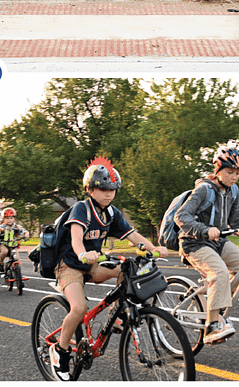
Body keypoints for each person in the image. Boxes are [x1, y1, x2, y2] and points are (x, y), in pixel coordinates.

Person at [51, 158, 172, 377]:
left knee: (127, 271)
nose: (108, 194)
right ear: (90, 189)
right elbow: (77, 239)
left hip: (92, 265)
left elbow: (133, 236)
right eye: (103, 189)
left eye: (112, 189)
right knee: (79, 309)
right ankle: (61, 351)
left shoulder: (112, 213)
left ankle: (117, 317)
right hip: (69, 265)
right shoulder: (81, 209)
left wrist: (154, 248)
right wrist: (82, 254)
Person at [174, 145, 239, 344]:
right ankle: (211, 328)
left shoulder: (233, 191)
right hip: (194, 243)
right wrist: (204, 230)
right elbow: (181, 216)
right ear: (218, 170)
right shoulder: (204, 189)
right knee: (219, 273)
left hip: (219, 242)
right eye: (230, 172)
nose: (234, 177)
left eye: (237, 173)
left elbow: (238, 220)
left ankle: (216, 302)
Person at [0, 208, 28, 276]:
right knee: (5, 251)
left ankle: (18, 275)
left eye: (11, 218)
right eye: (7, 218)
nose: (9, 220)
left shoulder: (17, 226)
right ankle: (1, 263)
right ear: (4, 219)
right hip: (3, 244)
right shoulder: (1, 227)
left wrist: (26, 234)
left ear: (14, 218)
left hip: (13, 245)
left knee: (17, 259)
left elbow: (24, 231)